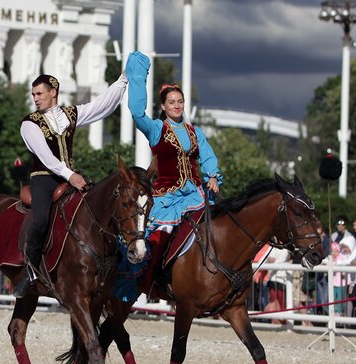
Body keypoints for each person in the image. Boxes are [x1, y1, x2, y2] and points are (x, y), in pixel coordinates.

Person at [13, 69, 128, 297]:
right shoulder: (29, 123)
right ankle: (30, 271)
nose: (35, 98)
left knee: (99, 209)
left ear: (53, 92)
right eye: (33, 94)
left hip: (70, 176)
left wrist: (123, 81)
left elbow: (101, 106)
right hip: (44, 178)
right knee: (41, 218)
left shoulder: (70, 114)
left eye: (39, 93)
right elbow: (46, 157)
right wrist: (70, 175)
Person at [126, 51, 221, 293]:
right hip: (167, 198)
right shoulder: (157, 129)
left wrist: (212, 175)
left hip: (196, 194)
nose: (177, 106)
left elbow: (207, 154)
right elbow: (137, 114)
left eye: (180, 102)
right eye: (171, 102)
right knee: (163, 233)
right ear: (163, 106)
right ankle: (151, 281)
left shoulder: (194, 131)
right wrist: (137, 74)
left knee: (216, 228)